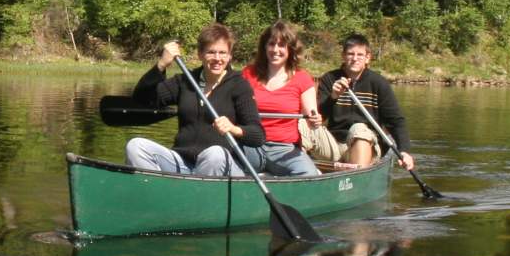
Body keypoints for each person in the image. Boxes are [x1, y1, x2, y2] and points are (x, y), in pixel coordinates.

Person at [126, 23, 265, 176]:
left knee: (215, 154)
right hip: (183, 162)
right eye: (211, 52)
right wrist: (162, 64)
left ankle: (198, 196)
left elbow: (258, 135)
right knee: (135, 146)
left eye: (223, 53)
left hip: (223, 164)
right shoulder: (185, 81)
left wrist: (234, 129)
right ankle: (158, 193)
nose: (217, 58)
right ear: (200, 54)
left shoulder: (239, 85)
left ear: (230, 56)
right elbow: (142, 98)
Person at [316, 33, 416, 172]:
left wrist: (404, 151)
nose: (354, 59)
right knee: (303, 126)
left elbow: (396, 121)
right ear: (343, 56)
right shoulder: (329, 79)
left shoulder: (378, 83)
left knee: (359, 129)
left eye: (360, 55)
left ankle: (357, 179)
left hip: (366, 144)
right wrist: (333, 97)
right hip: (335, 144)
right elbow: (317, 117)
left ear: (367, 58)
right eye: (350, 54)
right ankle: (297, 175)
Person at [240, 20, 321, 177]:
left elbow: (311, 115)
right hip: (250, 144)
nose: (275, 50)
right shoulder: (248, 74)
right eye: (271, 44)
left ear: (290, 49)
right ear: (265, 47)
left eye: (281, 45)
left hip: (284, 148)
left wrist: (314, 119)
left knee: (308, 173)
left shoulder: (302, 78)